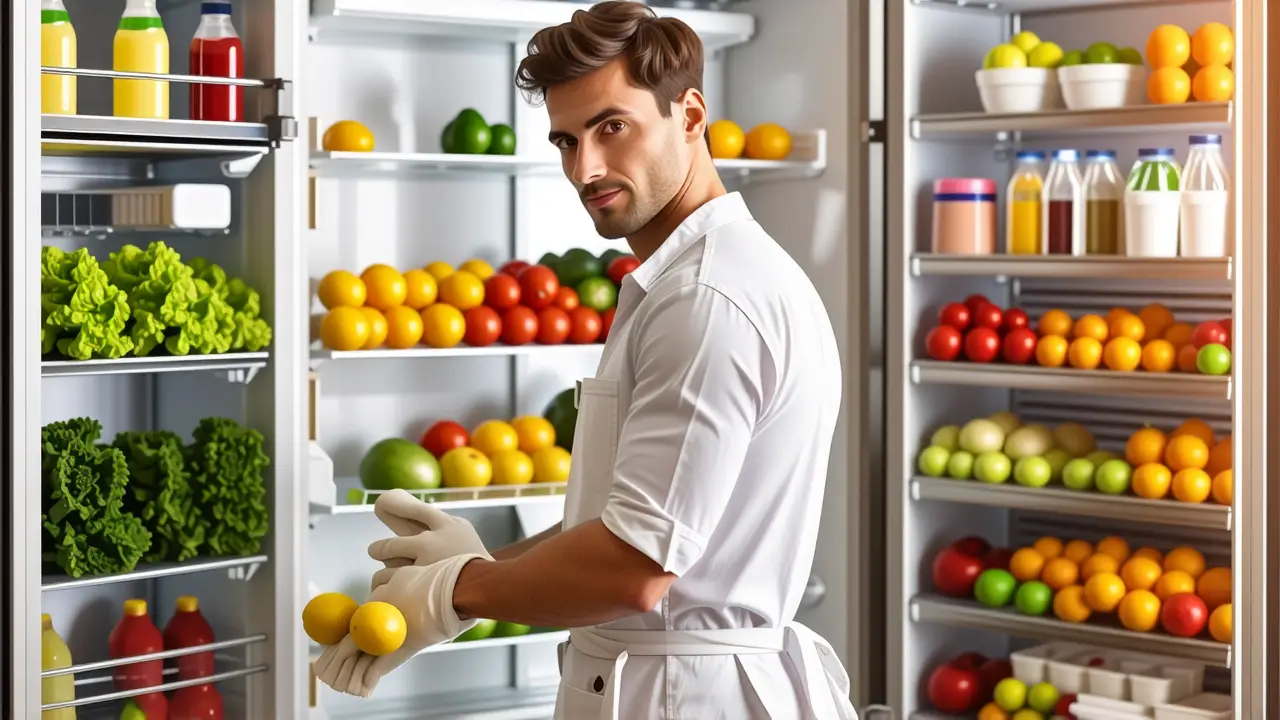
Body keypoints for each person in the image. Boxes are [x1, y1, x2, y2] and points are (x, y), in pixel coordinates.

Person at [314, 2, 854, 718]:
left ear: (690, 116)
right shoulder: (689, 279)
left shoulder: (707, 299)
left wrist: (454, 592)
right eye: (567, 141)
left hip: (686, 698)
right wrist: (477, 567)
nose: (585, 168)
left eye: (612, 127)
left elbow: (633, 570)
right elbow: (626, 520)